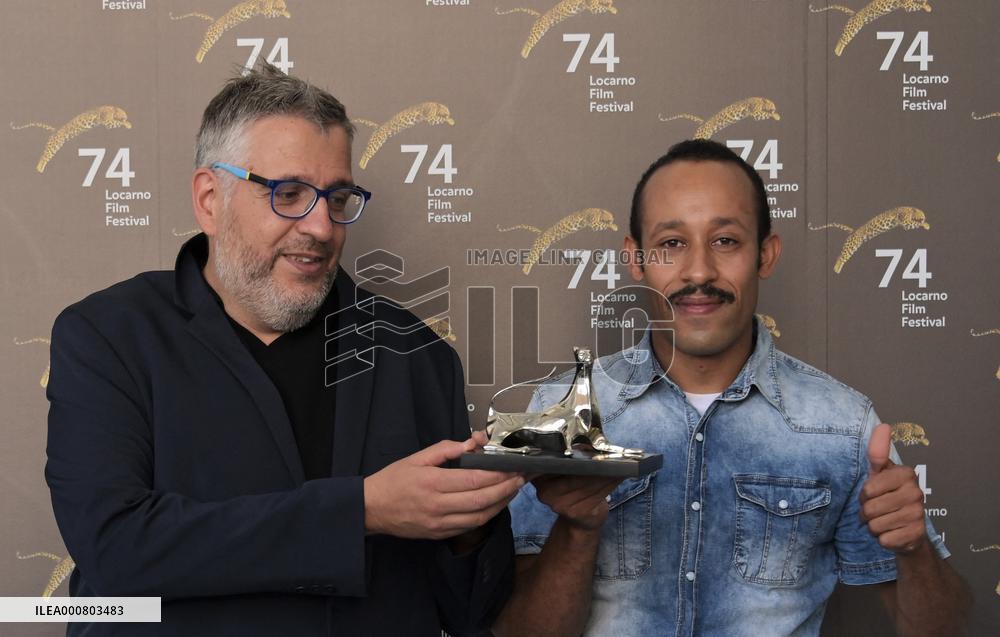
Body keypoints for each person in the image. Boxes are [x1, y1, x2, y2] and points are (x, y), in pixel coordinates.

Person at [45, 64, 521, 636]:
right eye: (288, 194)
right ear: (209, 199)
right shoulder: (108, 337)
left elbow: (468, 612)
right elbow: (116, 548)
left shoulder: (418, 356)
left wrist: (468, 526)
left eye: (338, 197)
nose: (322, 227)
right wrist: (362, 511)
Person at [495, 139, 970, 636]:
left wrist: (914, 552)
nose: (699, 272)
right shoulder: (558, 411)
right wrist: (578, 528)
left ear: (765, 254)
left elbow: (944, 628)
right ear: (635, 260)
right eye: (671, 244)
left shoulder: (844, 426)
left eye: (725, 241)